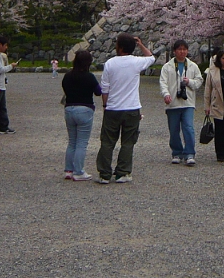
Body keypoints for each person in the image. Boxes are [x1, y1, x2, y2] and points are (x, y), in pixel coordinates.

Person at [96, 33, 155, 183]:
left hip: (113, 107)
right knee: (128, 142)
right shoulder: (136, 62)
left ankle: (104, 174)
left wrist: (105, 105)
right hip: (132, 107)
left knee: (107, 142)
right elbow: (151, 57)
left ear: (120, 47)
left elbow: (105, 88)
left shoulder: (110, 63)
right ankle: (122, 172)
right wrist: (140, 45)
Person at [159, 39, 203, 166]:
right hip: (172, 103)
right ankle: (177, 152)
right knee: (174, 129)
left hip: (188, 102)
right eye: (179, 49)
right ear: (175, 51)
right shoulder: (167, 67)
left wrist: (189, 82)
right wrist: (166, 94)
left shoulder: (193, 66)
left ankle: (189, 153)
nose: (182, 52)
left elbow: (199, 81)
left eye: (184, 49)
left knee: (188, 128)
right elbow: (163, 82)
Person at [62, 50, 102, 181]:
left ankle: (69, 170)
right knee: (82, 143)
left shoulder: (67, 76)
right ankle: (79, 171)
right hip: (84, 109)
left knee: (72, 141)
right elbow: (98, 92)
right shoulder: (89, 76)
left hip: (69, 109)